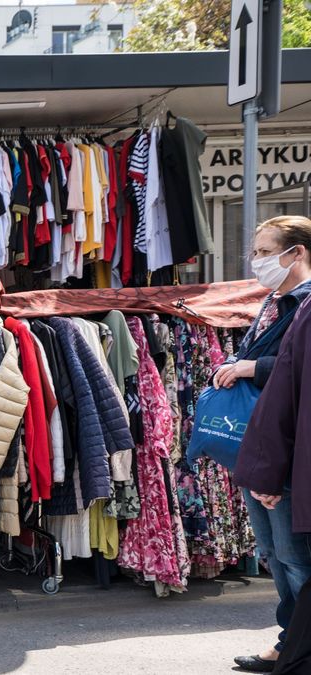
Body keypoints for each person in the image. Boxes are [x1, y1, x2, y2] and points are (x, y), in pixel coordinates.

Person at [222, 216, 311, 673]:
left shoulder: (307, 303)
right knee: (274, 553)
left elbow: (296, 372)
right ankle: (288, 637)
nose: (256, 261)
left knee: (293, 555)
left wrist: (248, 369)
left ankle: (295, 643)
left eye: (263, 251)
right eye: (255, 252)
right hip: (259, 443)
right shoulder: (274, 302)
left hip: (287, 448)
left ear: (295, 252)